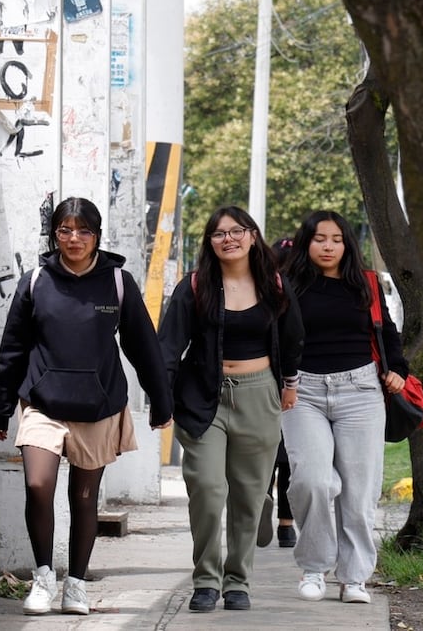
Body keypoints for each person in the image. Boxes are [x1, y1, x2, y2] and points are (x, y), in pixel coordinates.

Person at [0, 196, 173, 616]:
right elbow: (13, 349)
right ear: (55, 236)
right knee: (38, 485)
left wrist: (162, 401)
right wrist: (0, 405)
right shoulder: (36, 281)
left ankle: (76, 584)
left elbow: (143, 348)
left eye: (83, 231)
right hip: (42, 402)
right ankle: (43, 577)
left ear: (97, 236)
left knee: (84, 498)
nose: (74, 239)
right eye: (65, 231)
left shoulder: (118, 283)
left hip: (99, 405)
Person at [158, 205, 304, 613]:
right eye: (219, 234)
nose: (229, 239)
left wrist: (288, 385)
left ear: (252, 236)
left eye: (237, 231)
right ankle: (206, 579)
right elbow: (169, 346)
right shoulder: (195, 286)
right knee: (207, 487)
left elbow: (293, 337)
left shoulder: (274, 284)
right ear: (210, 242)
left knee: (247, 493)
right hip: (204, 394)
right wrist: (162, 400)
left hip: (259, 394)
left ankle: (238, 580)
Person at [281, 210, 408, 605]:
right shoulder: (288, 286)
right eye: (320, 238)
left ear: (347, 244)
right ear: (307, 242)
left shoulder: (365, 284)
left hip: (361, 390)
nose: (328, 246)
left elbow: (386, 333)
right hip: (303, 392)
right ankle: (314, 567)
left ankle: (354, 578)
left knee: (359, 491)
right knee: (312, 480)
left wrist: (398, 370)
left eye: (336, 239)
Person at [257, 236, 297, 549]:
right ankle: (286, 524)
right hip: (297, 383)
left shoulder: (262, 292)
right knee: (290, 458)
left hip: (263, 381)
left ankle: (260, 501)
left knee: (265, 451)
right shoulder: (302, 293)